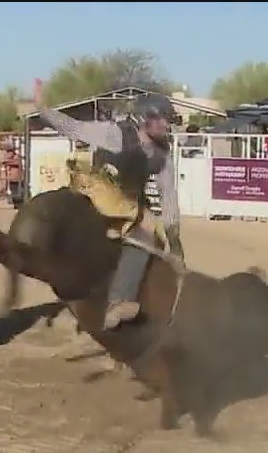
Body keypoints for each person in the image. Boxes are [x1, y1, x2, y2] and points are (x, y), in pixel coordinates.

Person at [33, 79, 184, 331]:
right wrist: (43, 109)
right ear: (146, 118)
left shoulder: (162, 155)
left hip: (129, 209)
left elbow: (168, 196)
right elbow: (74, 128)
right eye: (163, 119)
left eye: (168, 120)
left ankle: (120, 301)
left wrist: (174, 239)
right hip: (96, 195)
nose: (166, 125)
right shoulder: (114, 133)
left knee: (147, 239)